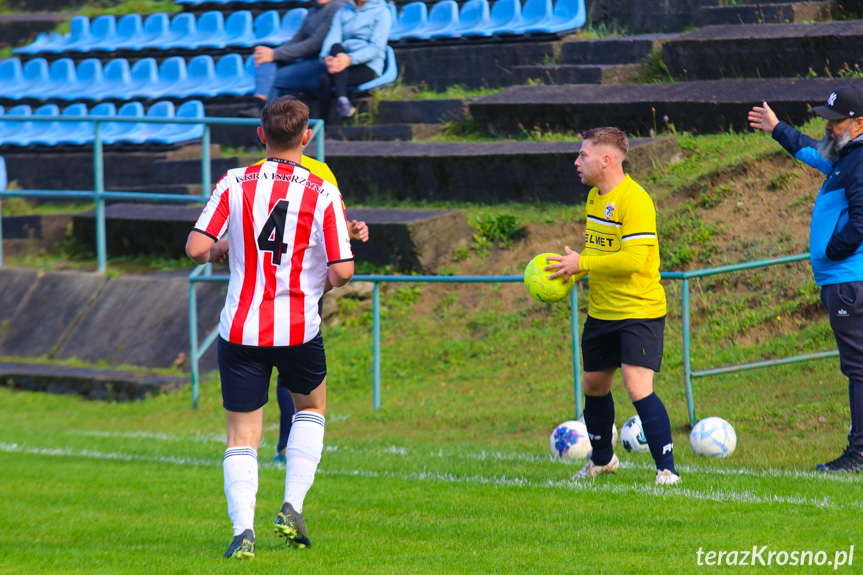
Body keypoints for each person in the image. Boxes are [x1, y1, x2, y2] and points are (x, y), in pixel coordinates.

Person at [186, 96, 355, 558]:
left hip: (240, 329)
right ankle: (292, 506)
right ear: (307, 136)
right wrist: (317, 284)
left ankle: (243, 533)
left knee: (242, 434)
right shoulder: (322, 192)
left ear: (261, 135)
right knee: (312, 407)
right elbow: (342, 271)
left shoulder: (235, 181)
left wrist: (222, 246)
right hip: (299, 327)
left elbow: (195, 247)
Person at [545, 127, 680, 486]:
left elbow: (634, 259)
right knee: (593, 386)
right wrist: (574, 269)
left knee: (637, 386)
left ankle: (667, 469)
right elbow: (603, 252)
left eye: (583, 155)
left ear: (606, 161)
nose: (577, 161)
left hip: (639, 310)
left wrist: (583, 265)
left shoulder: (634, 200)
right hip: (602, 311)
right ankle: (602, 461)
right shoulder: (594, 198)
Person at [748, 86, 863, 473]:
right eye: (827, 121)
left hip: (849, 280)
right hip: (844, 280)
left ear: (859, 123)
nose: (828, 128)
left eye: (836, 121)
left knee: (858, 367)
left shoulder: (859, 161)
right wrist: (777, 127)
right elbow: (812, 151)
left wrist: (831, 252)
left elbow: (862, 222)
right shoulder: (844, 158)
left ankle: (859, 453)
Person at [237, 0, 350, 118]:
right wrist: (271, 53)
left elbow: (314, 44)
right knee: (266, 60)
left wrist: (275, 54)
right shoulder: (313, 10)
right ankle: (258, 103)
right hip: (303, 61)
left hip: (320, 63)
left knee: (271, 80)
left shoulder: (337, 7)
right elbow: (297, 39)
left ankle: (267, 127)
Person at [317, 0, 391, 121]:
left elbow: (376, 47)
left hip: (368, 65)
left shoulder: (382, 12)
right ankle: (342, 103)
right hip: (342, 61)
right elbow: (332, 37)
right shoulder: (342, 12)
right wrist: (326, 58)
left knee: (326, 79)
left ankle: (328, 118)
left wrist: (350, 59)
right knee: (335, 48)